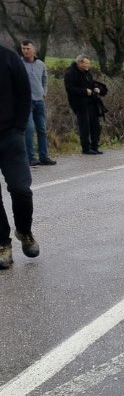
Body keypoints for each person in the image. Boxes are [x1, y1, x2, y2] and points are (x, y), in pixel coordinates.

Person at [0, 43, 39, 269]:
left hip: (10, 135)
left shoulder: (9, 58)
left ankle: (24, 230)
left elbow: (24, 93)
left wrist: (19, 127)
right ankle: (3, 243)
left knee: (21, 189)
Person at [20, 40, 56, 166]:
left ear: (33, 49)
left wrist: (44, 92)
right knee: (29, 128)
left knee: (42, 129)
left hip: (39, 101)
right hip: (25, 102)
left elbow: (45, 79)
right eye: (23, 48)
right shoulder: (19, 63)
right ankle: (30, 157)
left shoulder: (40, 64)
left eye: (27, 48)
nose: (25, 51)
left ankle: (44, 156)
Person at [64, 54, 103, 155]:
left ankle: (95, 147)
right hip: (79, 104)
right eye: (86, 63)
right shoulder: (70, 73)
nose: (88, 65)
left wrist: (96, 88)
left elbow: (91, 84)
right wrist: (85, 91)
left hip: (91, 102)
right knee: (84, 126)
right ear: (80, 63)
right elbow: (70, 89)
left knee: (95, 126)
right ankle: (86, 148)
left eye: (88, 63)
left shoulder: (87, 73)